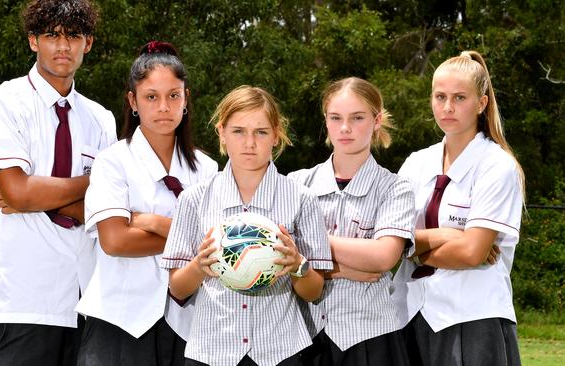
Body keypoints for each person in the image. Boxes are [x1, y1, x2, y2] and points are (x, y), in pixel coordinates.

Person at [0, 0, 117, 364]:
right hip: (17, 302)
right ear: (33, 40)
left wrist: (39, 194)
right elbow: (16, 191)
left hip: (84, 303)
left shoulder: (101, 119)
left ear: (89, 43)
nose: (63, 46)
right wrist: (92, 181)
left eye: (74, 36)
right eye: (52, 35)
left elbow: (109, 210)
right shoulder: (0, 103)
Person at [161, 85, 333, 366]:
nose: (249, 142)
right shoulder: (194, 200)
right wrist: (198, 266)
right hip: (211, 351)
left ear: (276, 135)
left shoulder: (302, 199)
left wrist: (297, 265)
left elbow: (314, 292)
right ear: (222, 132)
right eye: (239, 131)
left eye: (261, 132)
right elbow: (178, 289)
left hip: (281, 350)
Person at [74, 41, 218, 365]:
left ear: (186, 99)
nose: (164, 106)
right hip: (119, 324)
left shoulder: (207, 170)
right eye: (151, 96)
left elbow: (216, 245)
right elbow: (115, 241)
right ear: (133, 101)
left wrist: (153, 223)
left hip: (188, 327)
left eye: (173, 95)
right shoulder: (112, 161)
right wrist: (189, 237)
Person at [392, 50, 525, 366]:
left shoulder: (497, 166)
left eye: (459, 97)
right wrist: (448, 235)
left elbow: (470, 254)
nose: (447, 107)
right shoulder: (415, 163)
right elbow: (387, 239)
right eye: (440, 96)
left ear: (481, 103)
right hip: (409, 314)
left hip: (473, 319)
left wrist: (409, 247)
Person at [288, 77, 415, 366]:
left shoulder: (395, 188)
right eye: (336, 118)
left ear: (377, 120)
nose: (345, 128)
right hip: (302, 337)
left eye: (357, 118)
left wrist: (309, 246)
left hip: (371, 339)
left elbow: (383, 257)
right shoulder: (296, 183)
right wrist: (347, 267)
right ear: (326, 121)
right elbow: (276, 255)